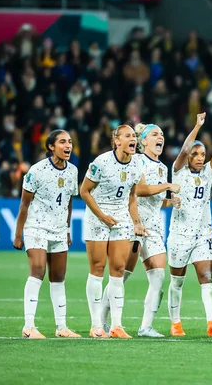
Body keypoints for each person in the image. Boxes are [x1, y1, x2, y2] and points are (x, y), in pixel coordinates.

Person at [100, 123, 181, 337]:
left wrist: (170, 202)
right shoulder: (136, 161)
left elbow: (156, 200)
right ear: (143, 141)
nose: (160, 137)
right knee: (122, 276)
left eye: (162, 134)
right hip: (132, 224)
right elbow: (141, 191)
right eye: (155, 134)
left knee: (159, 278)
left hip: (153, 228)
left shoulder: (163, 168)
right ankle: (101, 320)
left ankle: (146, 327)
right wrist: (167, 187)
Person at [80, 124, 147, 339]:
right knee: (98, 269)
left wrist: (135, 221)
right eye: (128, 136)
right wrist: (101, 216)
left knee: (118, 271)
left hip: (121, 220)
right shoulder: (102, 162)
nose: (133, 139)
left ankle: (117, 325)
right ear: (117, 141)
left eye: (134, 136)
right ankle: (96, 325)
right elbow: (84, 191)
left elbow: (131, 196)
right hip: (97, 219)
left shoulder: (137, 165)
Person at [13, 130, 81, 339]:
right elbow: (24, 204)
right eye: (62, 142)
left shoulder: (72, 171)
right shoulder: (37, 171)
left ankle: (61, 327)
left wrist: (68, 229)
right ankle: (28, 326)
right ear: (51, 146)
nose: (67, 145)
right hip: (37, 227)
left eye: (69, 142)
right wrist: (18, 234)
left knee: (58, 277)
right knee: (38, 271)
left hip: (60, 229)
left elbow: (69, 201)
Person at [167, 112, 212, 337]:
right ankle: (176, 324)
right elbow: (183, 150)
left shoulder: (208, 174)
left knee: (207, 278)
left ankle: (211, 322)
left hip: (203, 234)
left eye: (202, 154)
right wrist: (197, 126)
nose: (200, 157)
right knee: (177, 282)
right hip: (179, 235)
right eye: (196, 154)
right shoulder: (178, 171)